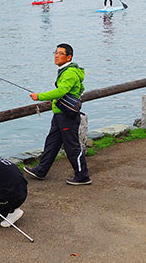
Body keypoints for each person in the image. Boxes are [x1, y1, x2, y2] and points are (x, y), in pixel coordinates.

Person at [26, 44, 91, 186]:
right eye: (55, 52)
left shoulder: (70, 73)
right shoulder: (65, 70)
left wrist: (39, 96)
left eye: (60, 53)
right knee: (52, 144)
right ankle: (41, 170)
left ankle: (82, 176)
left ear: (69, 57)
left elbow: (61, 91)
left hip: (67, 115)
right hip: (59, 114)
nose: (56, 55)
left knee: (71, 146)